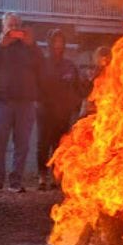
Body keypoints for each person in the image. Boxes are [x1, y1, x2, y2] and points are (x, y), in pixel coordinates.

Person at [0, 12, 43, 193]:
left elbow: (41, 66)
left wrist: (32, 45)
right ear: (3, 26)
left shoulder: (29, 46)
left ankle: (16, 182)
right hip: (1, 101)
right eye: (11, 25)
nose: (14, 28)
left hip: (25, 102)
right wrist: (1, 45)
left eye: (17, 25)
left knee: (22, 144)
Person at [36, 29, 83, 190]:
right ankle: (42, 176)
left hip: (63, 111)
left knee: (60, 145)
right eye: (55, 41)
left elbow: (77, 88)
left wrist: (75, 105)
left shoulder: (69, 65)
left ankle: (56, 176)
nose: (58, 45)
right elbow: (37, 85)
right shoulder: (43, 64)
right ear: (50, 44)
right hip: (45, 109)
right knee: (43, 144)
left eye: (60, 42)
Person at [80, 45, 112, 118]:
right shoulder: (91, 73)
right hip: (90, 111)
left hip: (105, 112)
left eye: (106, 57)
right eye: (101, 57)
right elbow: (85, 91)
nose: (104, 60)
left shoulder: (114, 76)